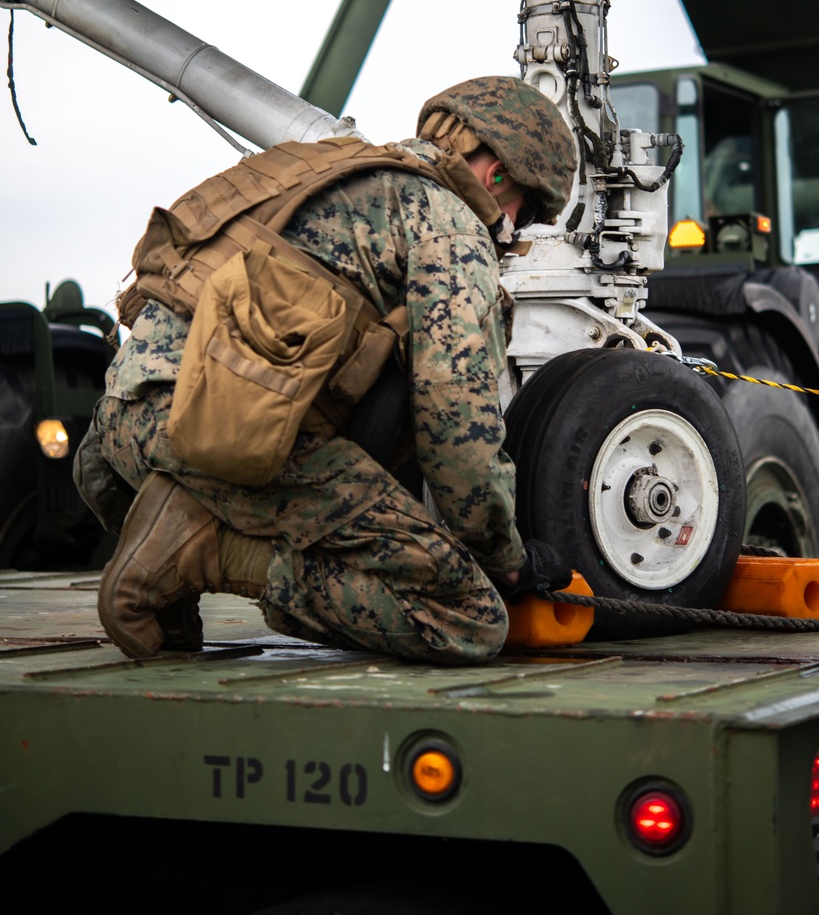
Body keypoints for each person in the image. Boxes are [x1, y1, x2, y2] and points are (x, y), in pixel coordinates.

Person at [88, 76, 577, 665]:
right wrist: (506, 559)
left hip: (116, 429)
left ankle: (160, 582)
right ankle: (202, 550)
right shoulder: (449, 224)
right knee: (469, 617)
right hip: (214, 437)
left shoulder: (324, 169)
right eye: (524, 210)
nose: (513, 227)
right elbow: (457, 429)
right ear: (499, 173)